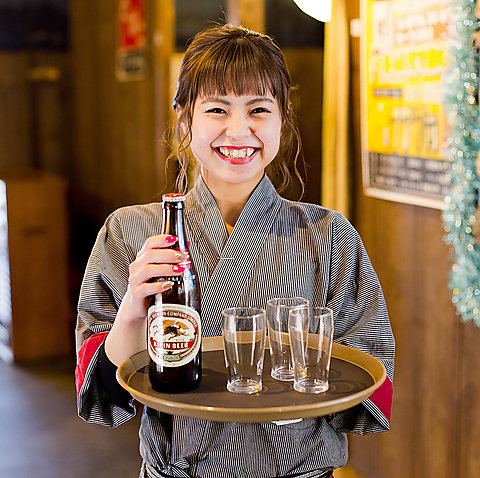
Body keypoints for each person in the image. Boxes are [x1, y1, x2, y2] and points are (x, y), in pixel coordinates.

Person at [75, 24, 395, 478]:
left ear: (283, 118)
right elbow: (104, 393)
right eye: (218, 109)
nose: (239, 130)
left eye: (259, 109)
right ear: (185, 120)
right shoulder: (129, 232)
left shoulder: (328, 235)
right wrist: (131, 311)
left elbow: (369, 366)